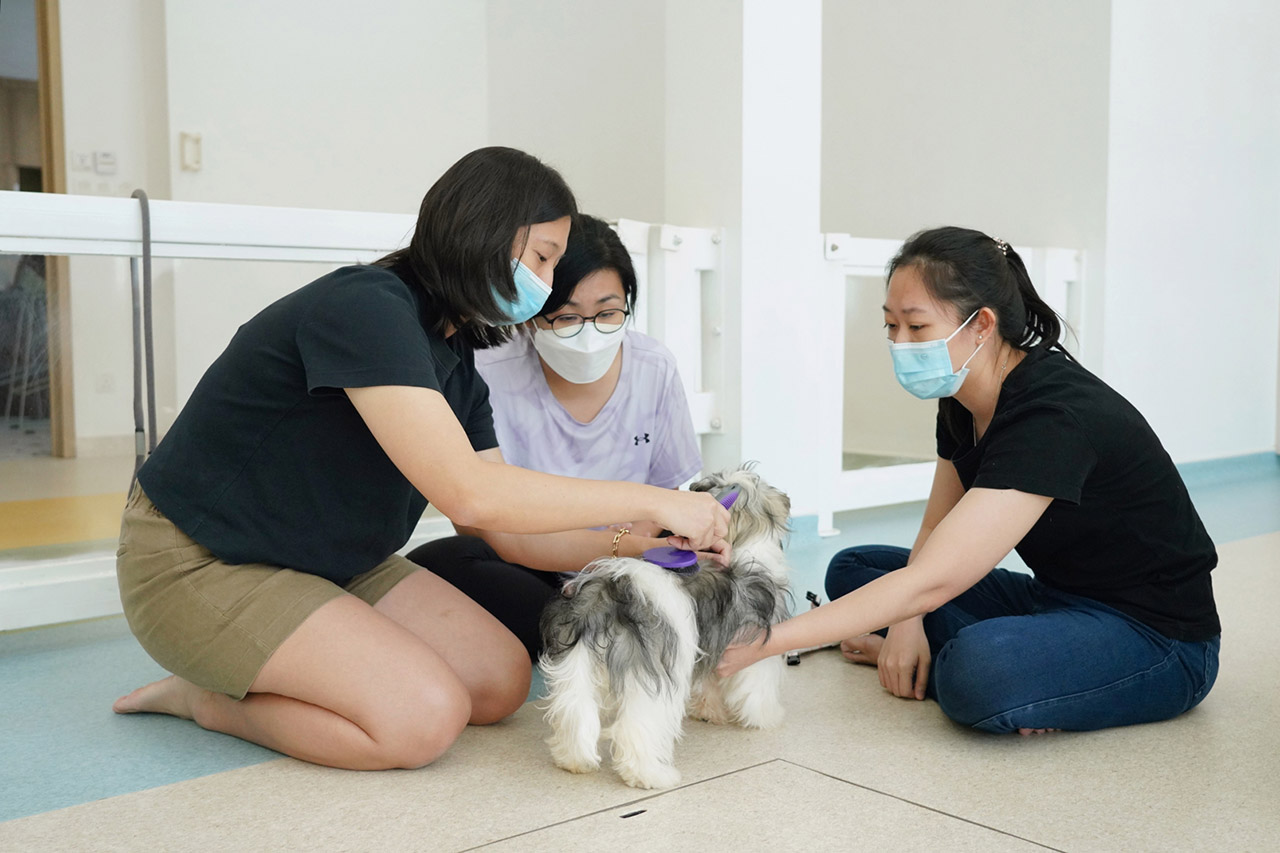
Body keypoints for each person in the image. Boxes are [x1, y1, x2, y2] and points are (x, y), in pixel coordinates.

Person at [112, 147, 729, 771]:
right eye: (542, 257)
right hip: (203, 561)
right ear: (483, 231)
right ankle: (207, 702)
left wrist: (643, 545)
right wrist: (653, 499)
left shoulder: (459, 364)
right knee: (420, 722)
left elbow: (502, 532)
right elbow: (471, 494)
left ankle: (290, 662)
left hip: (330, 562)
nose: (544, 284)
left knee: (500, 682)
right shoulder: (366, 308)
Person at [718, 226, 1220, 735]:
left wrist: (764, 642)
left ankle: (990, 673)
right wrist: (907, 626)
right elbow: (937, 529)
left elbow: (933, 580)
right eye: (891, 325)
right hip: (1057, 599)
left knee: (979, 673)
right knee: (856, 567)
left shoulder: (1054, 416)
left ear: (981, 324)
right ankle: (1020, 667)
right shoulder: (962, 399)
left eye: (916, 326)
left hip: (1159, 638)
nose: (899, 342)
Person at [407, 214, 704, 659]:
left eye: (608, 312)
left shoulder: (653, 366)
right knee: (452, 560)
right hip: (527, 563)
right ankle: (593, 629)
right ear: (530, 317)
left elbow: (664, 495)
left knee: (708, 578)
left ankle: (583, 630)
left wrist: (620, 564)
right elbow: (483, 526)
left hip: (630, 560)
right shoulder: (487, 371)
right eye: (565, 318)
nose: (589, 332)